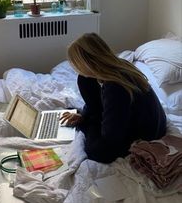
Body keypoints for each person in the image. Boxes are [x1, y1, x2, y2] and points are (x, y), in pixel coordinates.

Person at [60, 33, 167, 164]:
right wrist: (84, 115)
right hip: (135, 120)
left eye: (76, 64)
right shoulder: (119, 66)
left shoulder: (115, 87)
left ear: (87, 63)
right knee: (84, 79)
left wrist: (84, 123)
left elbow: (110, 140)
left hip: (145, 133)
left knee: (96, 152)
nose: (76, 68)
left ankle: (87, 121)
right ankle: (87, 118)